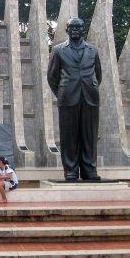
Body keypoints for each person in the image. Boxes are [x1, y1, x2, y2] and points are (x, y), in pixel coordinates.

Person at [47, 17, 102, 181]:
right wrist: (62, 92)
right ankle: (70, 170)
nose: (75, 30)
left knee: (89, 135)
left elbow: (98, 75)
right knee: (69, 136)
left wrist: (90, 86)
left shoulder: (93, 51)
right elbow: (52, 77)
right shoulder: (58, 50)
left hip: (90, 97)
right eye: (72, 27)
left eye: (78, 27)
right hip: (67, 97)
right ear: (67, 30)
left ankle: (89, 170)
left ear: (82, 30)